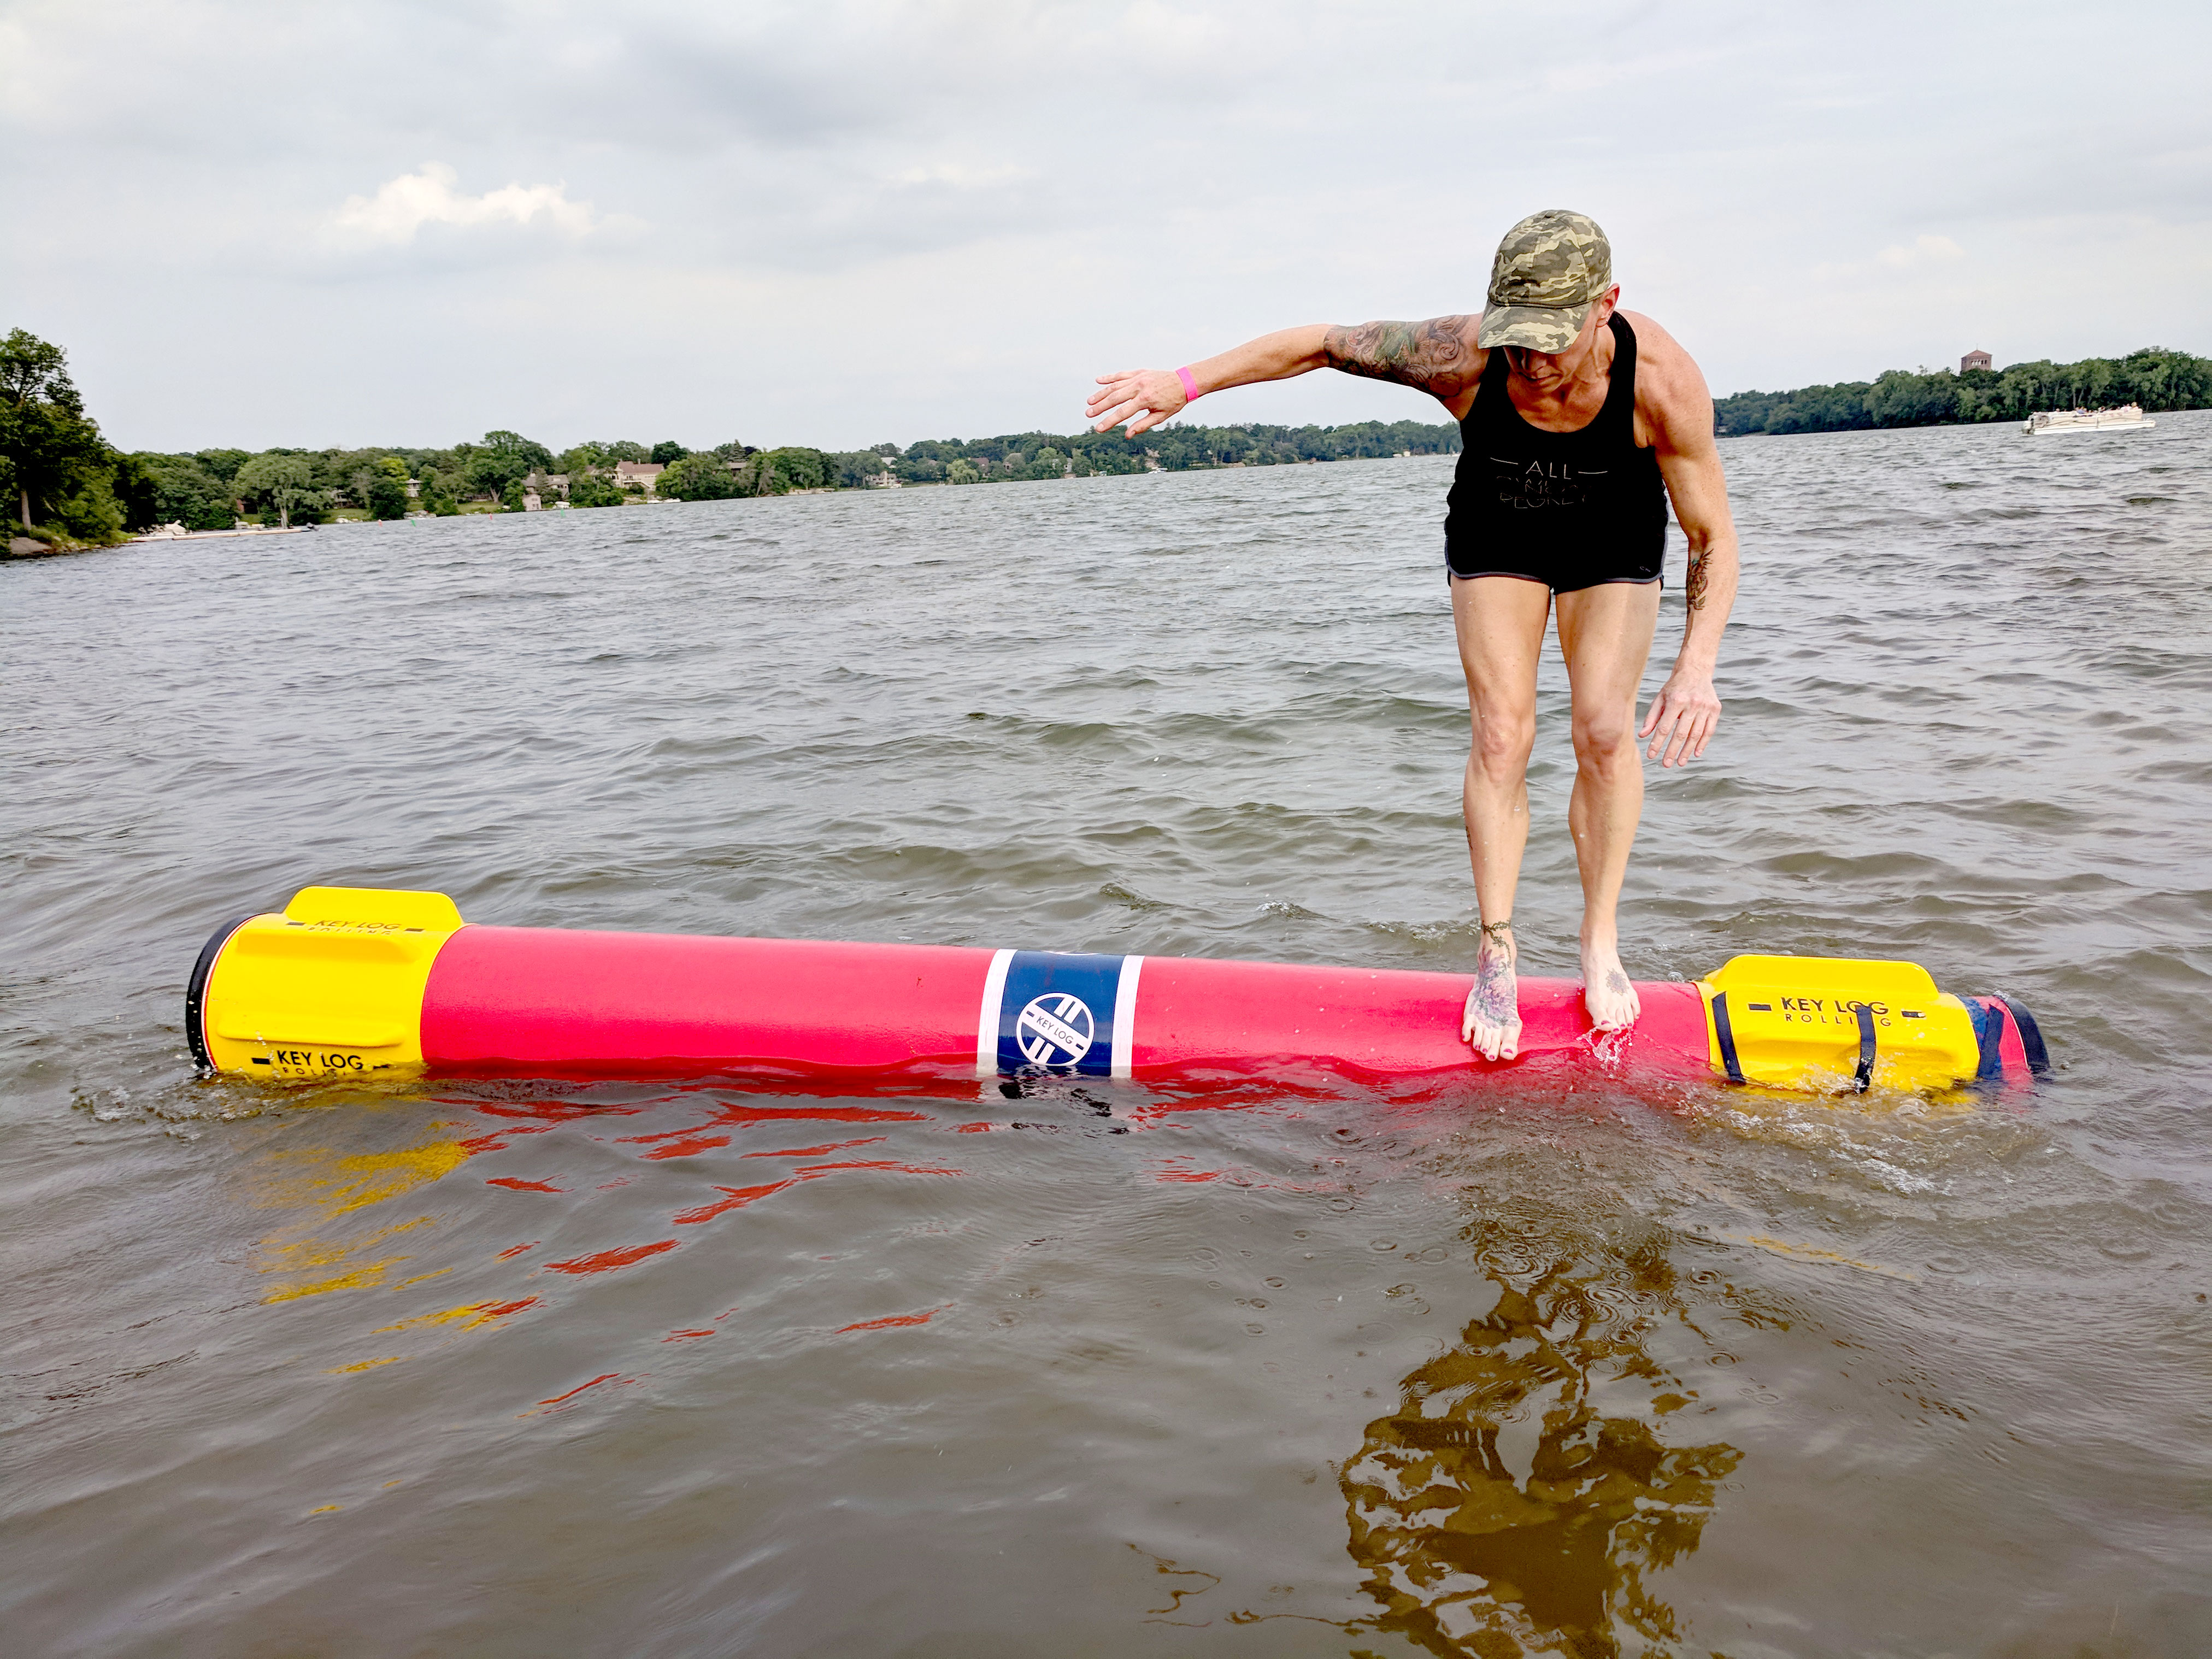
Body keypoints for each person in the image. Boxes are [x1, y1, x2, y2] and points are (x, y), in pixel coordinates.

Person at [1086, 209, 1739, 1062]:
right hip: (1499, 522)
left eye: (1554, 339)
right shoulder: (1460, 356)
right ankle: (1497, 948)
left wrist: (1698, 669)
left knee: (1605, 735)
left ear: (1606, 305)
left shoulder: (1663, 382)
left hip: (1612, 532)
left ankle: (1599, 941)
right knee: (1502, 733)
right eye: (1517, 338)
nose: (1533, 362)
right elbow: (1321, 342)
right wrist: (1189, 382)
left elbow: (1714, 540)